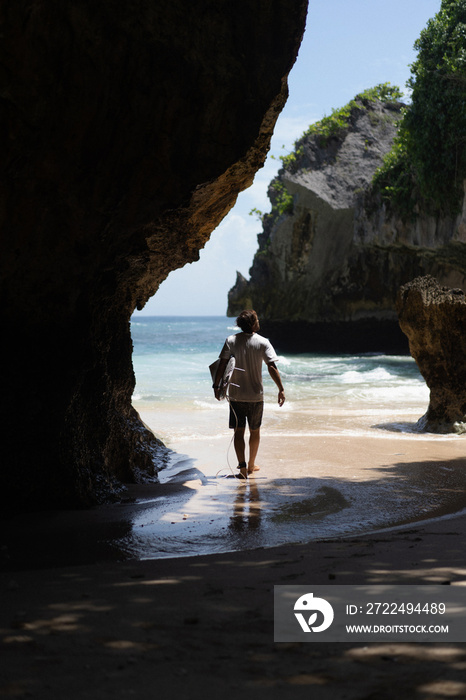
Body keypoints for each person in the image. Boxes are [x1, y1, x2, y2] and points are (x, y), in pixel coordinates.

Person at [213, 309, 285, 479]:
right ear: (253, 323)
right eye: (257, 320)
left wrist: (216, 386)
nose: (259, 322)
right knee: (255, 431)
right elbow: (272, 367)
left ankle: (242, 468)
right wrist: (281, 389)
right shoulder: (263, 342)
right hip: (255, 396)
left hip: (236, 395)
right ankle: (252, 464)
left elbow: (222, 365)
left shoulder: (231, 341)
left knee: (238, 432)